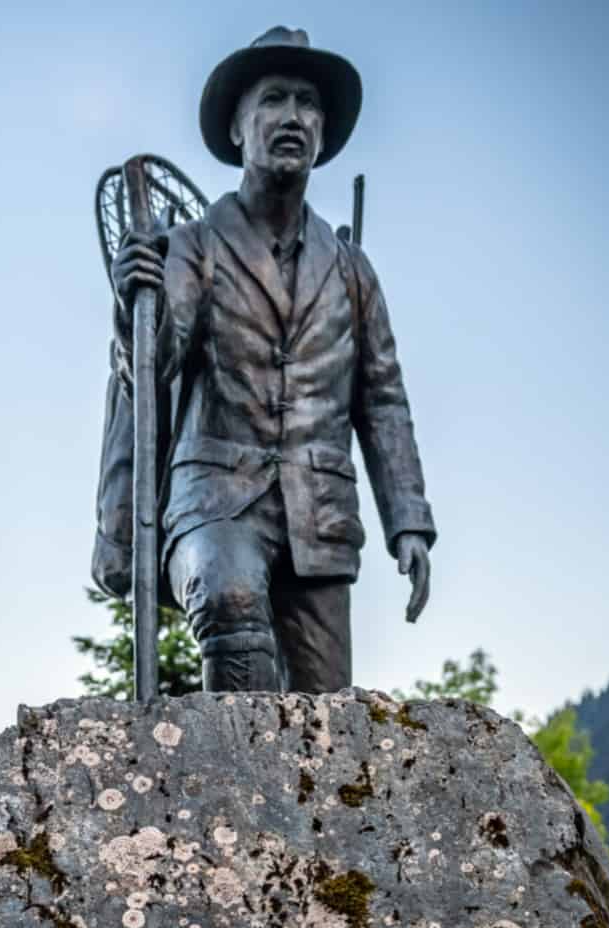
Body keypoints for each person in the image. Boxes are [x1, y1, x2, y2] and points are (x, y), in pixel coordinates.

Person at [92, 26, 436, 693]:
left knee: (326, 713)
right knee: (230, 604)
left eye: (307, 103)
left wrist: (409, 521)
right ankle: (235, 791)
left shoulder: (351, 270)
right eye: (273, 99)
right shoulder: (194, 246)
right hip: (216, 498)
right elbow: (156, 362)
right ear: (237, 129)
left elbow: (383, 397)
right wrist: (134, 303)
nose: (292, 117)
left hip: (322, 513)